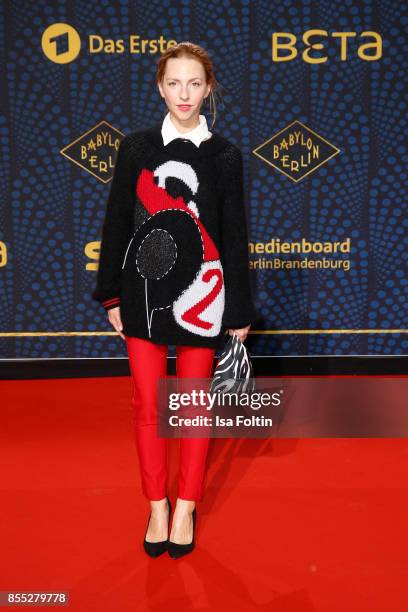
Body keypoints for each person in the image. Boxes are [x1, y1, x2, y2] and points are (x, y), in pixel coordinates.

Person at [92, 41, 257, 559]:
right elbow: (118, 219)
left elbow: (234, 235)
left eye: (194, 84)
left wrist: (238, 308)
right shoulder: (137, 148)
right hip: (142, 293)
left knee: (191, 407)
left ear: (209, 89)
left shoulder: (225, 156)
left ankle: (186, 503)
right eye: (173, 83)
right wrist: (110, 293)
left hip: (202, 299)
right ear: (160, 86)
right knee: (146, 403)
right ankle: (156, 503)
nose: (183, 94)